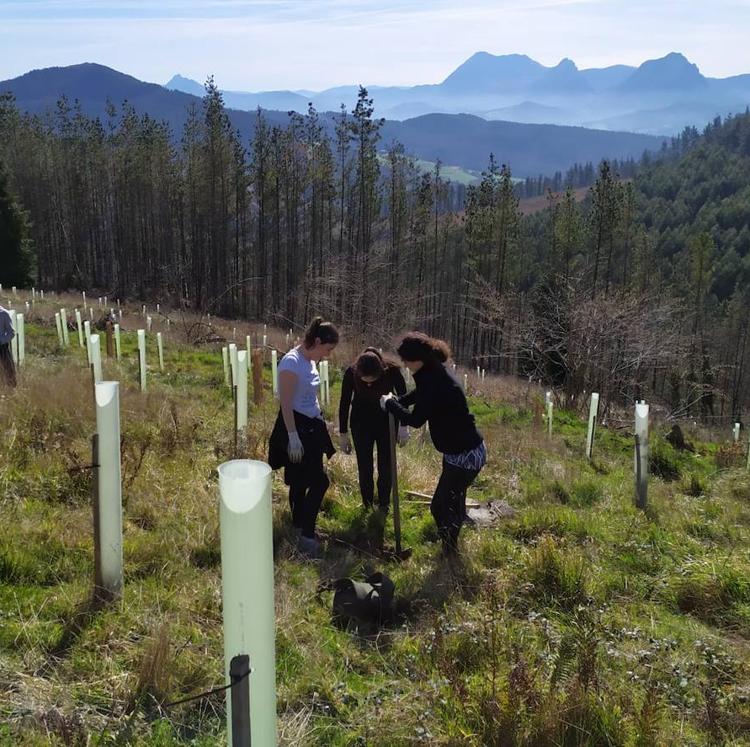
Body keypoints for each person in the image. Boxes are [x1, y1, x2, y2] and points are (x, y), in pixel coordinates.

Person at [380, 332, 486, 556]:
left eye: (407, 361)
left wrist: (391, 404)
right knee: (452, 503)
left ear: (417, 359)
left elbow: (416, 420)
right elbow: (421, 394)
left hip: (466, 455)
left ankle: (449, 552)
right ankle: (450, 546)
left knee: (440, 506)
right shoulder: (434, 370)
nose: (406, 366)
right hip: (460, 450)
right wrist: (401, 400)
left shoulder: (432, 379)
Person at [268, 317, 339, 558]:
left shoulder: (310, 361)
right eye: (327, 349)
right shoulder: (291, 363)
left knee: (301, 480)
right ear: (317, 341)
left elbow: (310, 396)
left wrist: (322, 420)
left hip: (312, 426)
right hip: (295, 426)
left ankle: (298, 525)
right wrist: (292, 436)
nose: (327, 355)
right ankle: (307, 535)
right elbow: (286, 404)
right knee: (320, 482)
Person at [338, 348, 409, 511]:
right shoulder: (351, 372)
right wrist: (343, 433)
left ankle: (384, 504)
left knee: (386, 465)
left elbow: (404, 397)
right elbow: (344, 402)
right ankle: (367, 503)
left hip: (386, 422)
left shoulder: (392, 371)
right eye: (365, 381)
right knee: (365, 465)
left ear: (381, 371)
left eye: (372, 380)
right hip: (360, 423)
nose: (369, 384)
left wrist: (404, 426)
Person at [0, 304, 17, 388]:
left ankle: (11, 389)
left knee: (8, 369)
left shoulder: (4, 313)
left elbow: (11, 332)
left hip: (2, 347)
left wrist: (1, 340)